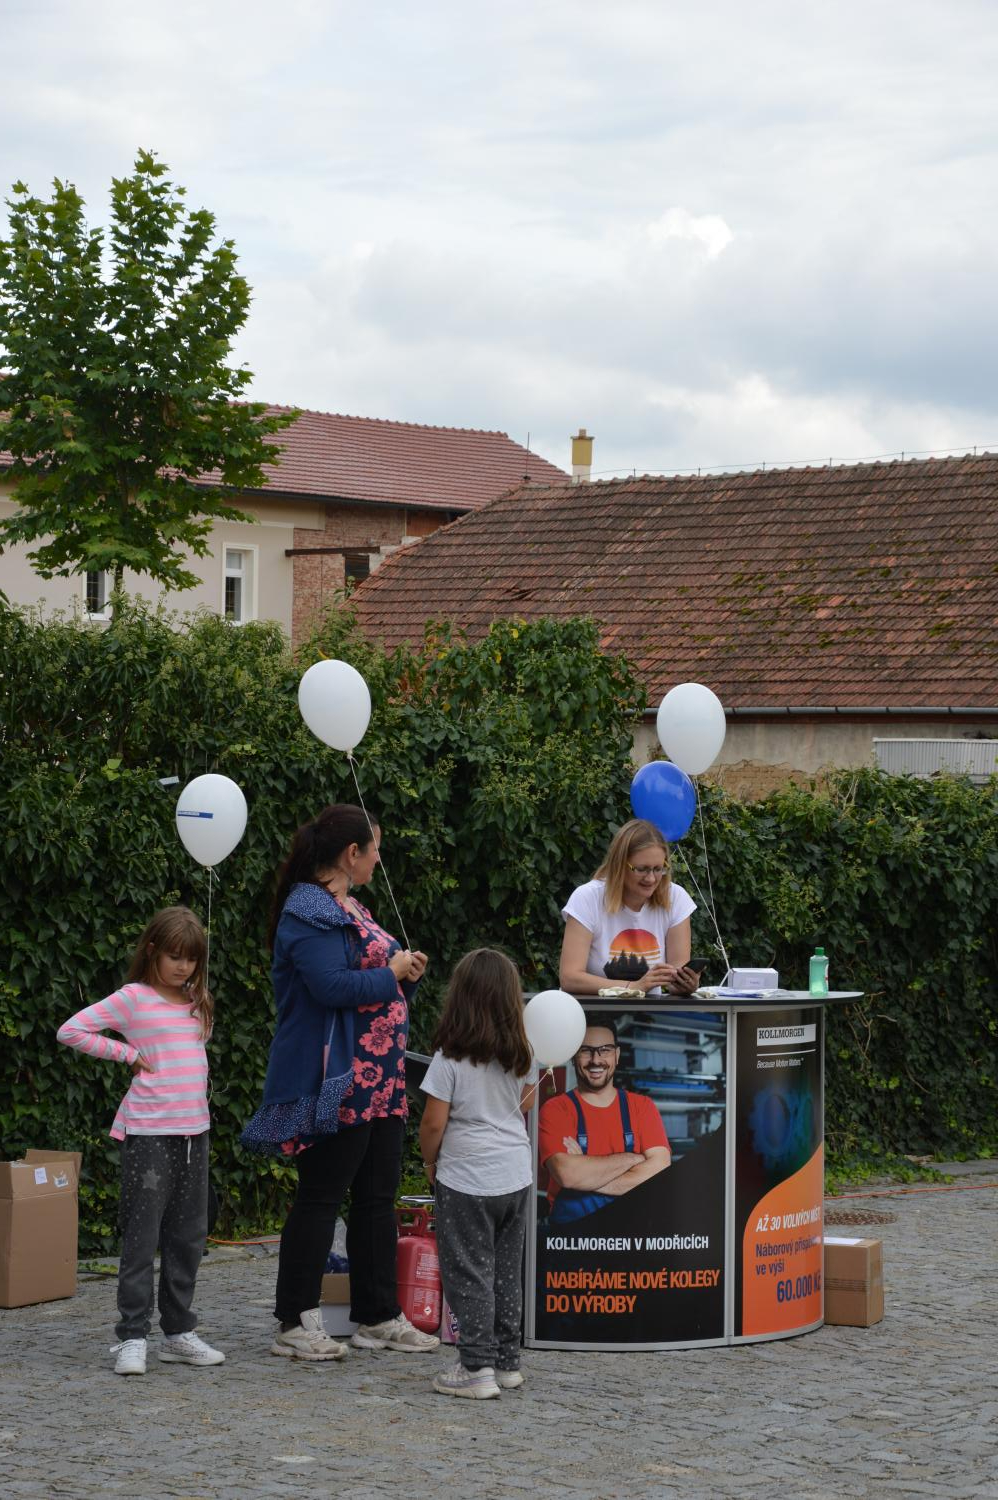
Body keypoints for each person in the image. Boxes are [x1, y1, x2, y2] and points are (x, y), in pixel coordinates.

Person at [241, 803, 439, 1361]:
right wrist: (391, 972)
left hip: (381, 1077)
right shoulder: (308, 910)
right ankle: (295, 1319)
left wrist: (406, 975)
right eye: (375, 847)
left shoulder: (353, 905)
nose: (380, 857)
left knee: (376, 1199)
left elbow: (372, 982)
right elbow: (330, 986)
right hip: (340, 1078)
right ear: (351, 854)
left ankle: (377, 1314)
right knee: (321, 1196)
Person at [56, 906, 224, 1376]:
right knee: (141, 1236)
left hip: (195, 1133)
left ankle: (178, 1332)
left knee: (188, 1237)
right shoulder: (132, 998)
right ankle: (133, 1335)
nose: (183, 967)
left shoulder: (197, 999)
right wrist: (127, 1052)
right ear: (152, 950)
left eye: (191, 958)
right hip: (149, 1133)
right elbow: (71, 1030)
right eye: (174, 956)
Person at [419, 949, 535, 1400]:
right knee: (507, 1272)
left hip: (466, 1177)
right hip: (514, 1173)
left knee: (469, 1273)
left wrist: (430, 1162)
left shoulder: (449, 1059)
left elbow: (433, 1123)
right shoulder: (525, 1053)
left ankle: (475, 1366)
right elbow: (524, 1105)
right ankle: (507, 1362)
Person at [538, 1017, 671, 1223]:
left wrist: (586, 1174)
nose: (596, 1060)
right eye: (586, 1050)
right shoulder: (556, 1110)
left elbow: (660, 1169)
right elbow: (568, 1175)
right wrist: (633, 1159)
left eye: (605, 1050)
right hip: (572, 1238)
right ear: (573, 1055)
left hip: (629, 1234)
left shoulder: (642, 1107)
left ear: (617, 1055)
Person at [559, 818, 700, 996]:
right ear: (619, 865)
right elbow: (570, 978)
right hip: (593, 1010)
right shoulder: (588, 898)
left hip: (650, 1015)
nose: (651, 879)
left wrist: (686, 984)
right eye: (641, 869)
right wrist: (632, 987)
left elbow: (674, 981)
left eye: (658, 869)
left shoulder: (676, 898)